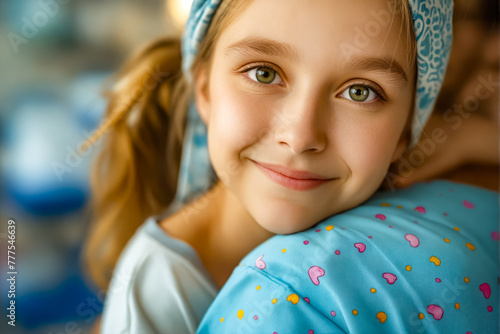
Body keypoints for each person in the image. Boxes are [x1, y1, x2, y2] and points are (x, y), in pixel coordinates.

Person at [78, 0, 493, 332]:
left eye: (361, 92)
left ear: (405, 132)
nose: (301, 136)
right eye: (264, 73)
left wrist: (477, 137)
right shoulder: (159, 289)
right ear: (204, 89)